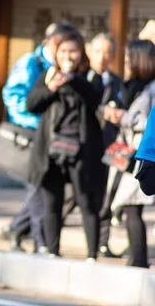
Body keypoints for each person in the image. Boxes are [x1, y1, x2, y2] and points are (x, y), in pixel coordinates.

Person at [26, 30, 106, 261]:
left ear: (81, 54)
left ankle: (92, 255)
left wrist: (73, 79)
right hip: (51, 148)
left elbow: (94, 99)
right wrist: (51, 88)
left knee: (86, 201)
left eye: (73, 51)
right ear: (56, 53)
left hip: (82, 150)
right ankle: (53, 251)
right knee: (53, 201)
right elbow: (31, 104)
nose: (68, 56)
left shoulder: (90, 77)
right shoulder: (48, 75)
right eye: (63, 51)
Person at [1, 22, 80, 253]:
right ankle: (39, 240)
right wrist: (36, 123)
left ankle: (19, 229)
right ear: (54, 43)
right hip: (32, 134)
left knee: (46, 190)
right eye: (63, 47)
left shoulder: (58, 65)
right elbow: (13, 96)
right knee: (37, 188)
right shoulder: (31, 63)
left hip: (51, 137)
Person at [63, 33, 123, 257]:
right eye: (98, 51)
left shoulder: (117, 81)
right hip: (81, 144)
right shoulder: (80, 77)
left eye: (107, 52)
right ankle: (30, 228)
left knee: (104, 195)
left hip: (108, 145)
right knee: (74, 195)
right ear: (89, 52)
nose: (102, 57)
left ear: (113, 55)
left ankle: (101, 243)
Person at [102, 39, 155, 268]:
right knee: (129, 206)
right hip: (128, 153)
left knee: (131, 205)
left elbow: (149, 122)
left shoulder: (152, 87)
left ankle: (138, 261)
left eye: (128, 59)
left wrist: (125, 117)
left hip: (143, 154)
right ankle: (136, 258)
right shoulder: (133, 85)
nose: (125, 63)